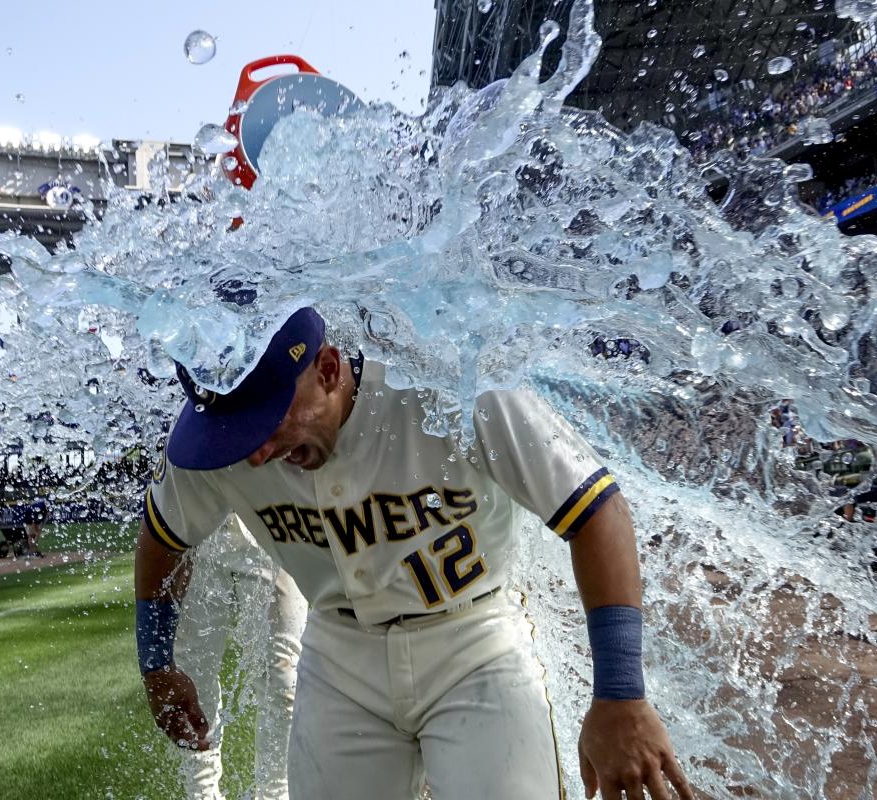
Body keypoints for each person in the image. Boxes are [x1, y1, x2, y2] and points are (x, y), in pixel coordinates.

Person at [136, 307, 693, 799]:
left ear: (328, 370)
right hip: (338, 656)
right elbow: (164, 535)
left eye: (264, 422)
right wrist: (156, 660)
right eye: (234, 431)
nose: (253, 453)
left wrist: (621, 695)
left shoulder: (446, 382)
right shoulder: (215, 443)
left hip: (474, 643)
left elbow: (598, 512)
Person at [173, 521, 306, 800]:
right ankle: (200, 794)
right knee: (194, 675)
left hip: (270, 520)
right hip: (197, 524)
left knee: (284, 676)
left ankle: (275, 794)